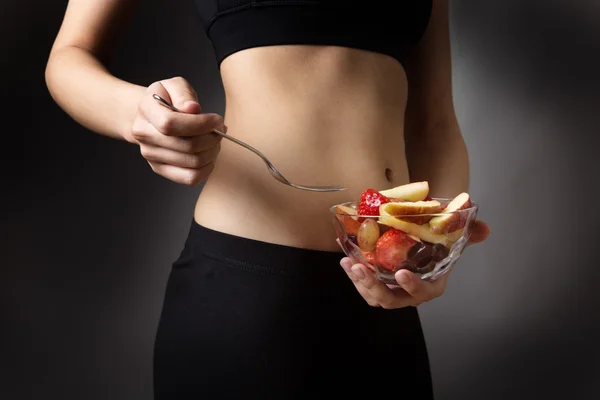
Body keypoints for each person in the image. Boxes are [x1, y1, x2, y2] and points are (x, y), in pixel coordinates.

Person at [45, 0, 491, 398]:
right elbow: (69, 57)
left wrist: (438, 248)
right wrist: (135, 113)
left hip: (384, 297)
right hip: (246, 298)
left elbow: (434, 123)